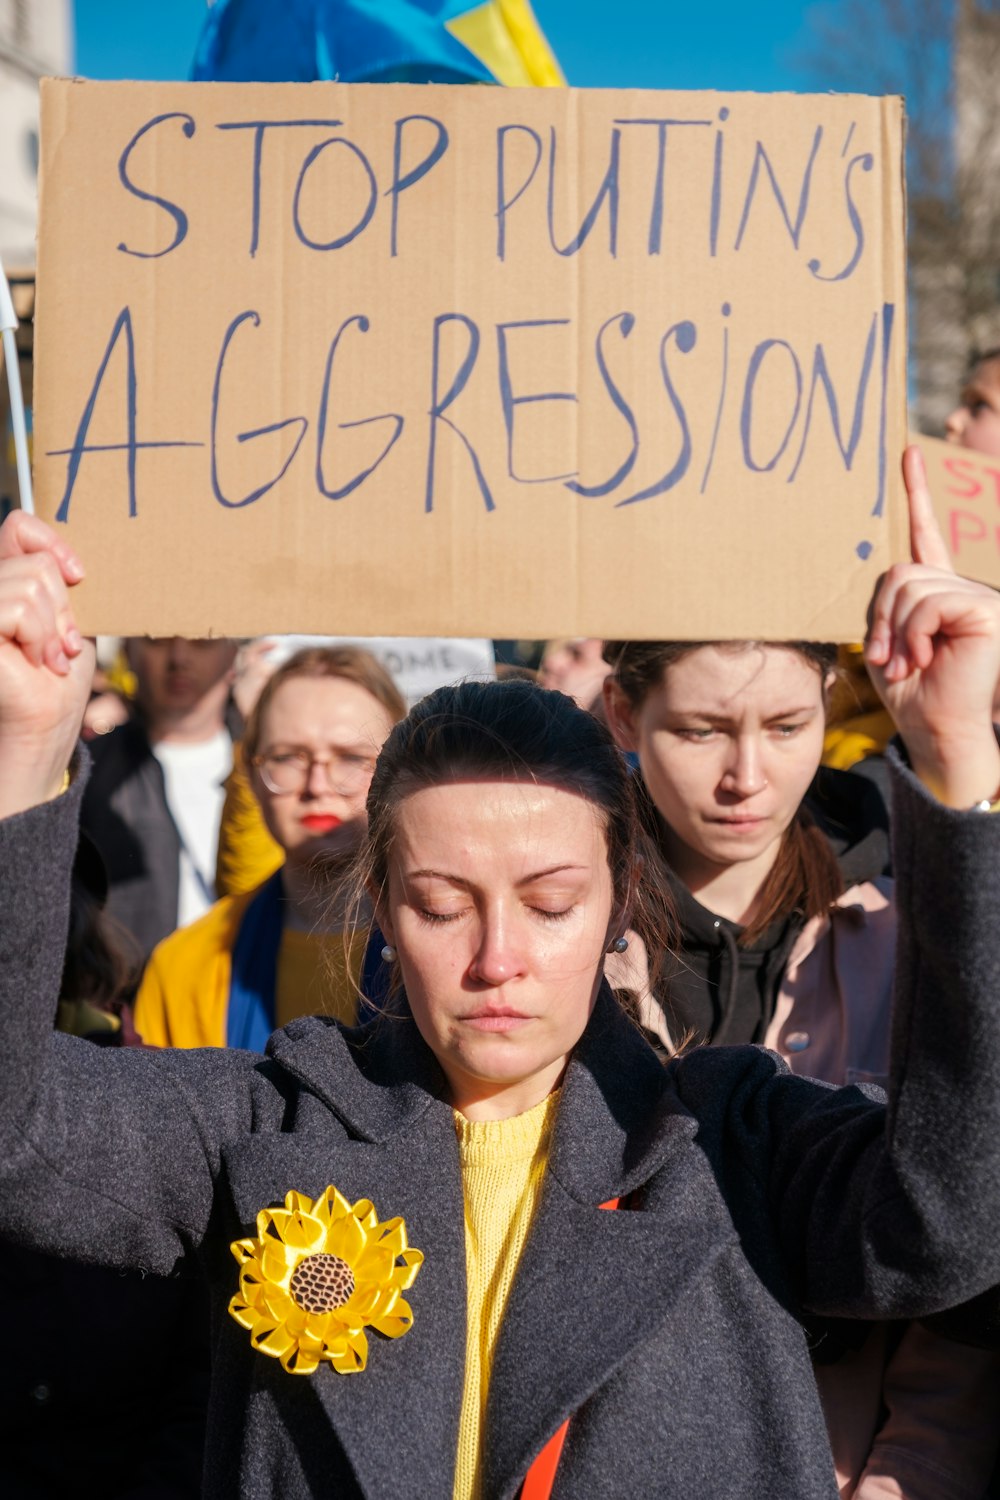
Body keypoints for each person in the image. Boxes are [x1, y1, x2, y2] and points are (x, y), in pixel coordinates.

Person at [2, 452, 1000, 1499]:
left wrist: (956, 770)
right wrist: (24, 751)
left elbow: (946, 1221)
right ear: (380, 903)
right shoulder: (265, 1126)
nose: (495, 960)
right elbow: (18, 1132)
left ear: (620, 896)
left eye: (550, 903)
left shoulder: (731, 1142)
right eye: (439, 905)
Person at [601, 624, 1000, 1494]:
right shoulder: (566, 939)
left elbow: (961, 1252)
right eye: (701, 731)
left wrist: (914, 1472)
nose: (747, 776)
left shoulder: (919, 926)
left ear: (830, 702)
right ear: (624, 714)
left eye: (787, 727)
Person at [134, 647, 406, 1049]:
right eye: (288, 757)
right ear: (252, 776)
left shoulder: (454, 947)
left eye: (350, 757)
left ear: (399, 772)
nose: (317, 785)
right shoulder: (185, 965)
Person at [80, 634, 240, 958]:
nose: (179, 657)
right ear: (128, 649)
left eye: (202, 639)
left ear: (233, 651)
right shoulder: (86, 771)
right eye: (157, 640)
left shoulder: (269, 763)